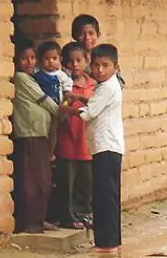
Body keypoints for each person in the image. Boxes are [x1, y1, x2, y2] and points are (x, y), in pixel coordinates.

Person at [61, 44, 124, 253]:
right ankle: (112, 241)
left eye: (105, 65)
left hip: (106, 148)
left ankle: (106, 244)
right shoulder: (107, 86)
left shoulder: (106, 87)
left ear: (116, 66)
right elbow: (95, 104)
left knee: (104, 197)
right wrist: (80, 98)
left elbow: (89, 114)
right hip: (107, 147)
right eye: (96, 65)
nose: (100, 70)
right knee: (109, 196)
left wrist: (67, 110)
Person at [11, 36, 59, 234]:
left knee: (43, 180)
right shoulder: (22, 78)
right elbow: (45, 102)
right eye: (24, 58)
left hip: (39, 134)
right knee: (34, 181)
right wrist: (61, 111)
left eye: (32, 58)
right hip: (30, 134)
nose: (29, 62)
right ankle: (31, 224)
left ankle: (39, 220)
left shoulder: (33, 77)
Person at [55, 42, 96, 230]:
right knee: (66, 182)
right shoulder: (62, 84)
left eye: (79, 60)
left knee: (85, 182)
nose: (75, 65)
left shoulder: (93, 85)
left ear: (86, 61)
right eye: (70, 61)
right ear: (64, 63)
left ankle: (84, 213)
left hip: (86, 141)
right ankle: (67, 216)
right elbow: (59, 110)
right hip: (67, 140)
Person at [71, 14, 125, 88]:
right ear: (74, 35)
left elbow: (119, 83)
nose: (87, 38)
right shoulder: (70, 58)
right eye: (82, 34)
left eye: (91, 33)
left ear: (98, 34)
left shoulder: (104, 55)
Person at [34, 41, 73, 105]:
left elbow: (67, 90)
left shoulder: (62, 75)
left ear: (60, 59)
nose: (51, 61)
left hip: (56, 106)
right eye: (46, 58)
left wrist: (66, 101)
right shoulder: (36, 72)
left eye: (54, 58)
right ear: (40, 60)